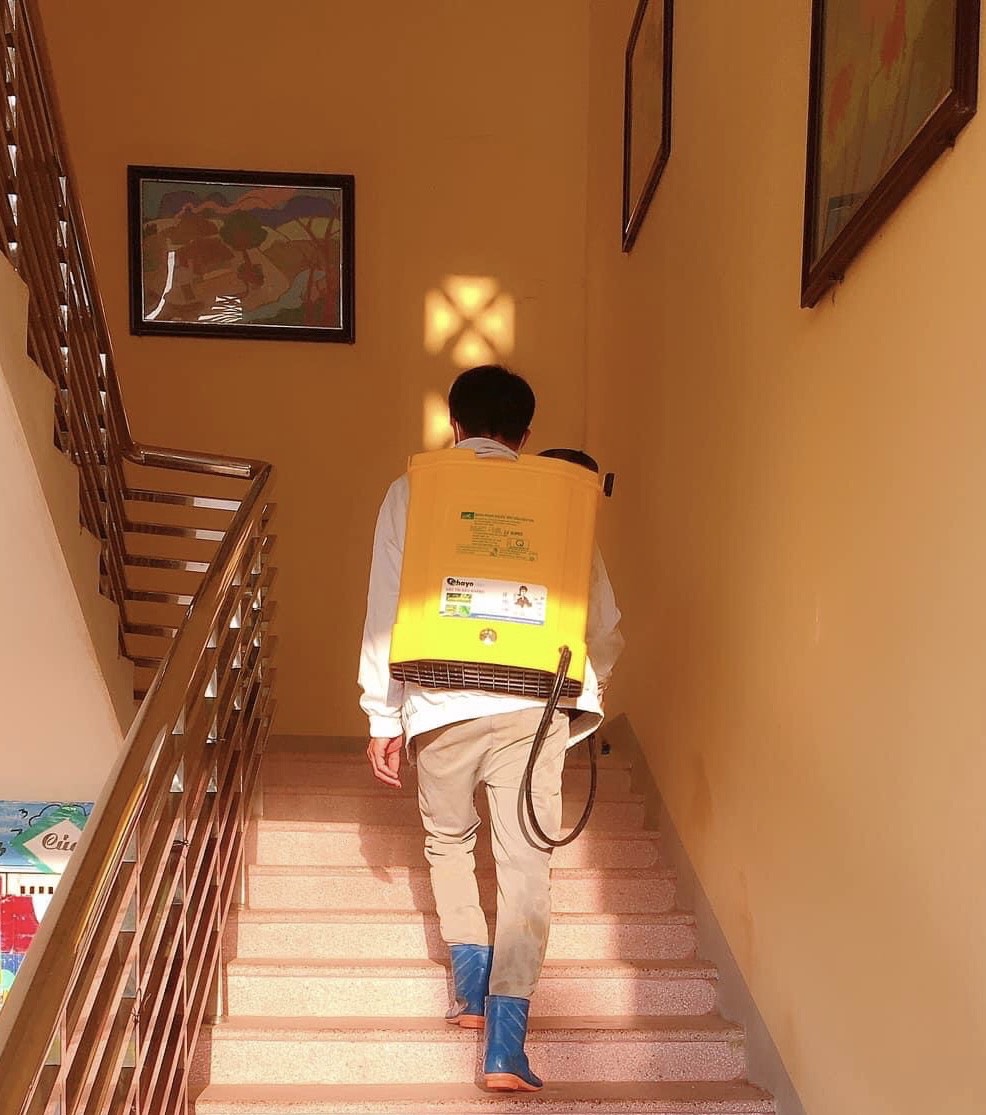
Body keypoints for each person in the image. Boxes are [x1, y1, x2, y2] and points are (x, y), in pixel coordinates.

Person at [358, 364, 623, 1092]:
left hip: (439, 700)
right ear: (525, 435)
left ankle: (469, 992)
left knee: (449, 841)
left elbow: (386, 606)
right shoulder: (561, 496)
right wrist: (584, 688)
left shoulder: (413, 489)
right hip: (534, 704)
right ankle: (507, 1045)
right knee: (526, 859)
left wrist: (383, 713)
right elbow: (601, 619)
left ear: (453, 423)